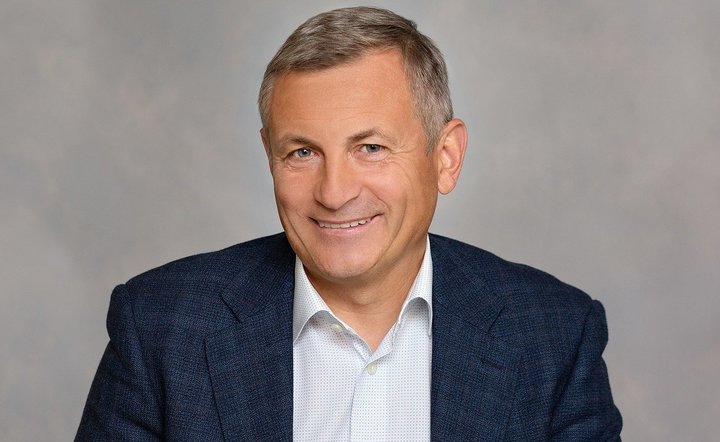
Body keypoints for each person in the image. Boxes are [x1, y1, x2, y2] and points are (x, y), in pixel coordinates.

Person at [76, 6, 622, 441]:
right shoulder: (159, 328)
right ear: (269, 155)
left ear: (446, 157)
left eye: (370, 147)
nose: (335, 193)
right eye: (302, 152)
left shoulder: (553, 336)